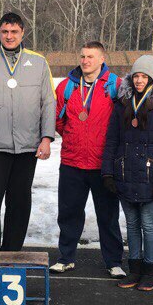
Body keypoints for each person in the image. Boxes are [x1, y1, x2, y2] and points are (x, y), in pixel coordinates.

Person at [0, 12, 55, 252]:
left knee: (20, 205)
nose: (9, 36)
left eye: (14, 32)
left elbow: (48, 102)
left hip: (27, 148)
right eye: (5, 31)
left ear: (23, 33)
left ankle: (11, 257)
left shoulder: (39, 63)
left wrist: (46, 138)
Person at [101, 56, 153, 291]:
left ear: (152, 79)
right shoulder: (122, 103)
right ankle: (134, 270)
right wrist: (108, 173)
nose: (140, 80)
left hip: (150, 176)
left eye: (144, 76)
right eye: (136, 76)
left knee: (148, 224)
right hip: (125, 173)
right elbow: (112, 140)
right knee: (131, 225)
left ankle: (149, 272)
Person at [50, 41, 124, 277]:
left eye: (91, 57)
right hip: (72, 161)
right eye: (82, 56)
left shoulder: (116, 86)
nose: (85, 61)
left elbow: (122, 121)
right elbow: (58, 121)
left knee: (108, 215)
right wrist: (74, 138)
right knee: (69, 213)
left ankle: (113, 261)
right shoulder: (65, 87)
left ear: (102, 59)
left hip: (104, 164)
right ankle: (65, 257)